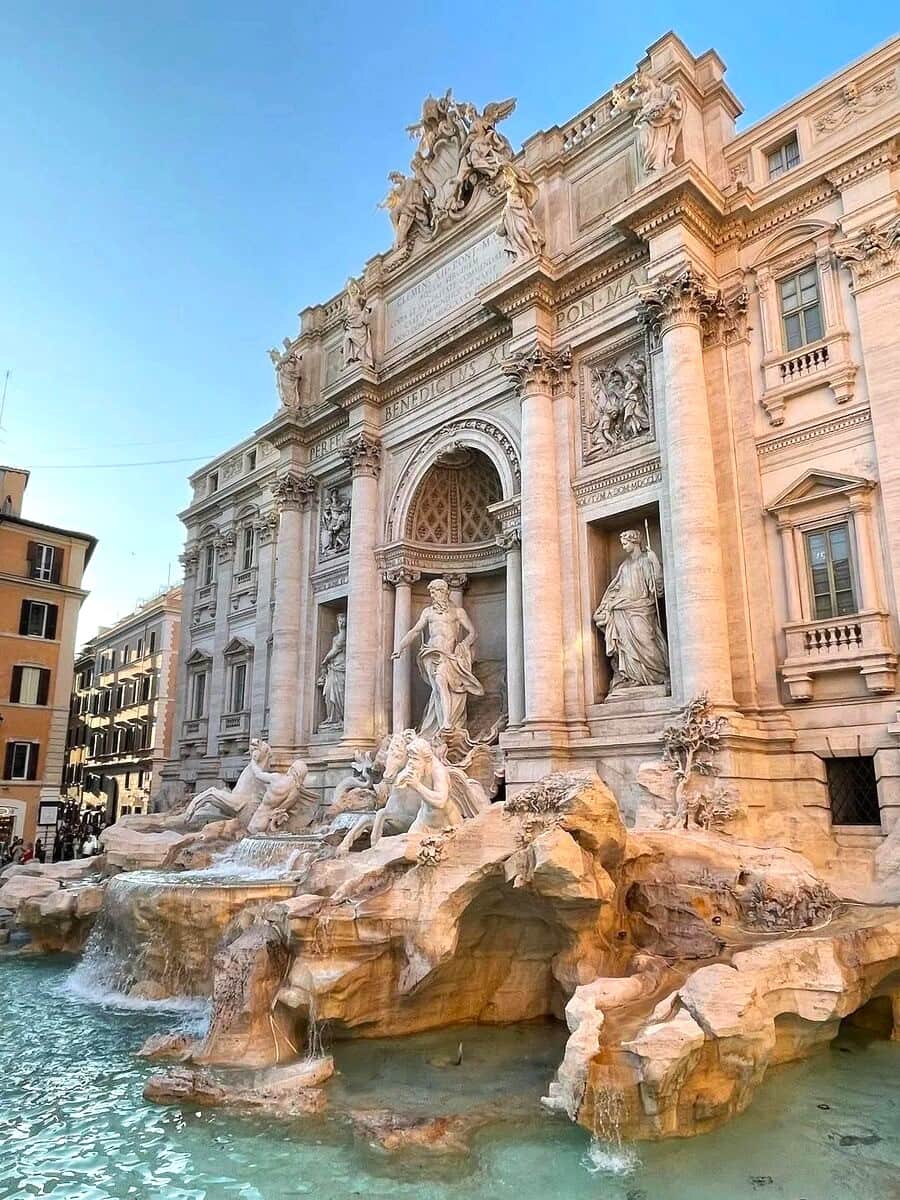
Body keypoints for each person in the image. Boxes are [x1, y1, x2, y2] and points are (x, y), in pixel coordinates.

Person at [391, 578, 484, 738]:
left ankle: (444, 722)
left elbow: (473, 633)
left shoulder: (458, 612)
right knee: (439, 687)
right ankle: (445, 722)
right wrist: (400, 647)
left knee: (441, 687)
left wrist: (462, 647)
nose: (433, 595)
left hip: (449, 655)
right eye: (431, 592)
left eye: (435, 592)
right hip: (431, 653)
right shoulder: (428, 612)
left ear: (444, 592)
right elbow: (415, 631)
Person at [594, 529, 669, 692]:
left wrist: (655, 561)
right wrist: (608, 604)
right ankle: (633, 676)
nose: (623, 547)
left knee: (646, 640)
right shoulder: (624, 565)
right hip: (622, 609)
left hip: (642, 607)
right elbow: (615, 587)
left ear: (635, 542)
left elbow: (657, 588)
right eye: (621, 544)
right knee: (626, 645)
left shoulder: (646, 560)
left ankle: (657, 675)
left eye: (625, 543)